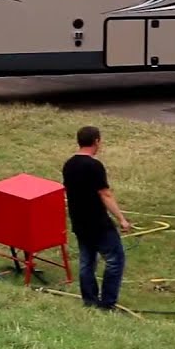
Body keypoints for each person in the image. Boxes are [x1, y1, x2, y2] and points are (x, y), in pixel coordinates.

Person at [61, 126, 132, 310]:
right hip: (98, 222)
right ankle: (108, 303)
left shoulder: (69, 164)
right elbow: (105, 194)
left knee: (87, 261)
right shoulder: (94, 165)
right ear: (96, 141)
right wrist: (122, 219)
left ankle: (90, 300)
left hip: (79, 221)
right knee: (115, 260)